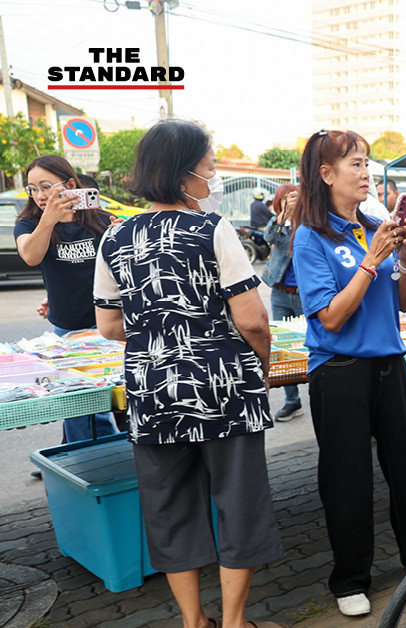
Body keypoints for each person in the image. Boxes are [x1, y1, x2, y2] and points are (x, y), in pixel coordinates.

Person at [92, 119, 284, 628]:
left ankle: (193, 621)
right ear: (182, 175)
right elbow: (253, 320)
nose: (214, 175)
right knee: (237, 502)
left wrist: (157, 326)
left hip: (152, 389)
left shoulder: (114, 237)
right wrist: (261, 369)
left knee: (169, 505)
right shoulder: (211, 228)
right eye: (209, 166)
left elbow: (110, 325)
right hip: (223, 384)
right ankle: (237, 621)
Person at [290, 129, 406, 617]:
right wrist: (371, 262)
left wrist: (402, 259)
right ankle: (350, 578)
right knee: (347, 479)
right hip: (340, 370)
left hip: (389, 365)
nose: (365, 171)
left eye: (367, 162)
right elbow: (330, 316)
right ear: (326, 174)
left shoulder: (376, 223)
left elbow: (403, 303)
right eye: (354, 163)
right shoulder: (312, 236)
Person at [15, 155, 119, 448]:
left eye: (46, 186)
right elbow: (31, 256)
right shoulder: (28, 224)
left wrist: (120, 235)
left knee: (117, 403)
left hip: (110, 327)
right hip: (68, 334)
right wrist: (47, 221)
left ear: (70, 184)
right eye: (32, 189)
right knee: (82, 409)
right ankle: (93, 462)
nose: (39, 195)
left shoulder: (99, 220)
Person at [260, 183, 305, 422]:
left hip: (304, 294)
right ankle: (292, 401)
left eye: (294, 197)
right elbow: (270, 237)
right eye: (286, 198)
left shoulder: (308, 222)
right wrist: (283, 216)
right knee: (282, 347)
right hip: (279, 292)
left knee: (311, 345)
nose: (291, 201)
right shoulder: (279, 223)